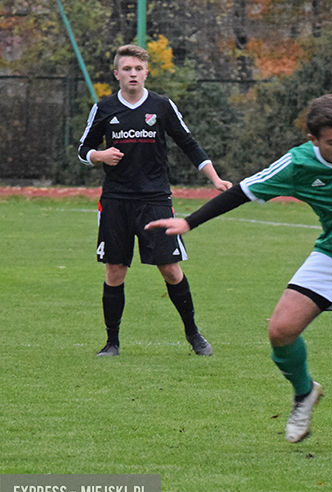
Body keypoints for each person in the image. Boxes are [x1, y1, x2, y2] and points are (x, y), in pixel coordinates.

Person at [146, 93, 332, 449]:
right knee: (280, 331)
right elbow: (243, 191)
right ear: (314, 140)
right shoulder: (297, 163)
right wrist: (190, 222)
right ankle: (304, 393)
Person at [78, 44, 232, 358]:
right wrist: (100, 155)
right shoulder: (104, 108)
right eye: (127, 69)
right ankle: (112, 343)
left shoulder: (161, 106)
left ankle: (194, 335)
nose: (133, 74)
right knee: (115, 270)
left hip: (156, 200)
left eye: (138, 69)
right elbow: (83, 149)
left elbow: (189, 143)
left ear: (146, 72)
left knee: (171, 270)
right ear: (116, 74)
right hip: (116, 201)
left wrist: (215, 178)